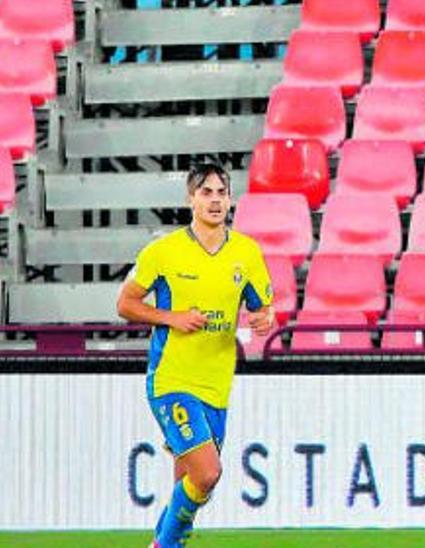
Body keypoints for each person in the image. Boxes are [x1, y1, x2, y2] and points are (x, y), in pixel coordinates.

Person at [117, 164, 276, 548]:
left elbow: (264, 309)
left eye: (221, 192)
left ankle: (168, 540)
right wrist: (172, 317)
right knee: (207, 473)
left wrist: (264, 320)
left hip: (216, 385)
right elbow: (125, 303)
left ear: (230, 199)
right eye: (206, 192)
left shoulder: (246, 253)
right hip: (172, 379)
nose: (215, 200)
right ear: (191, 199)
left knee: (188, 485)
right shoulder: (164, 252)